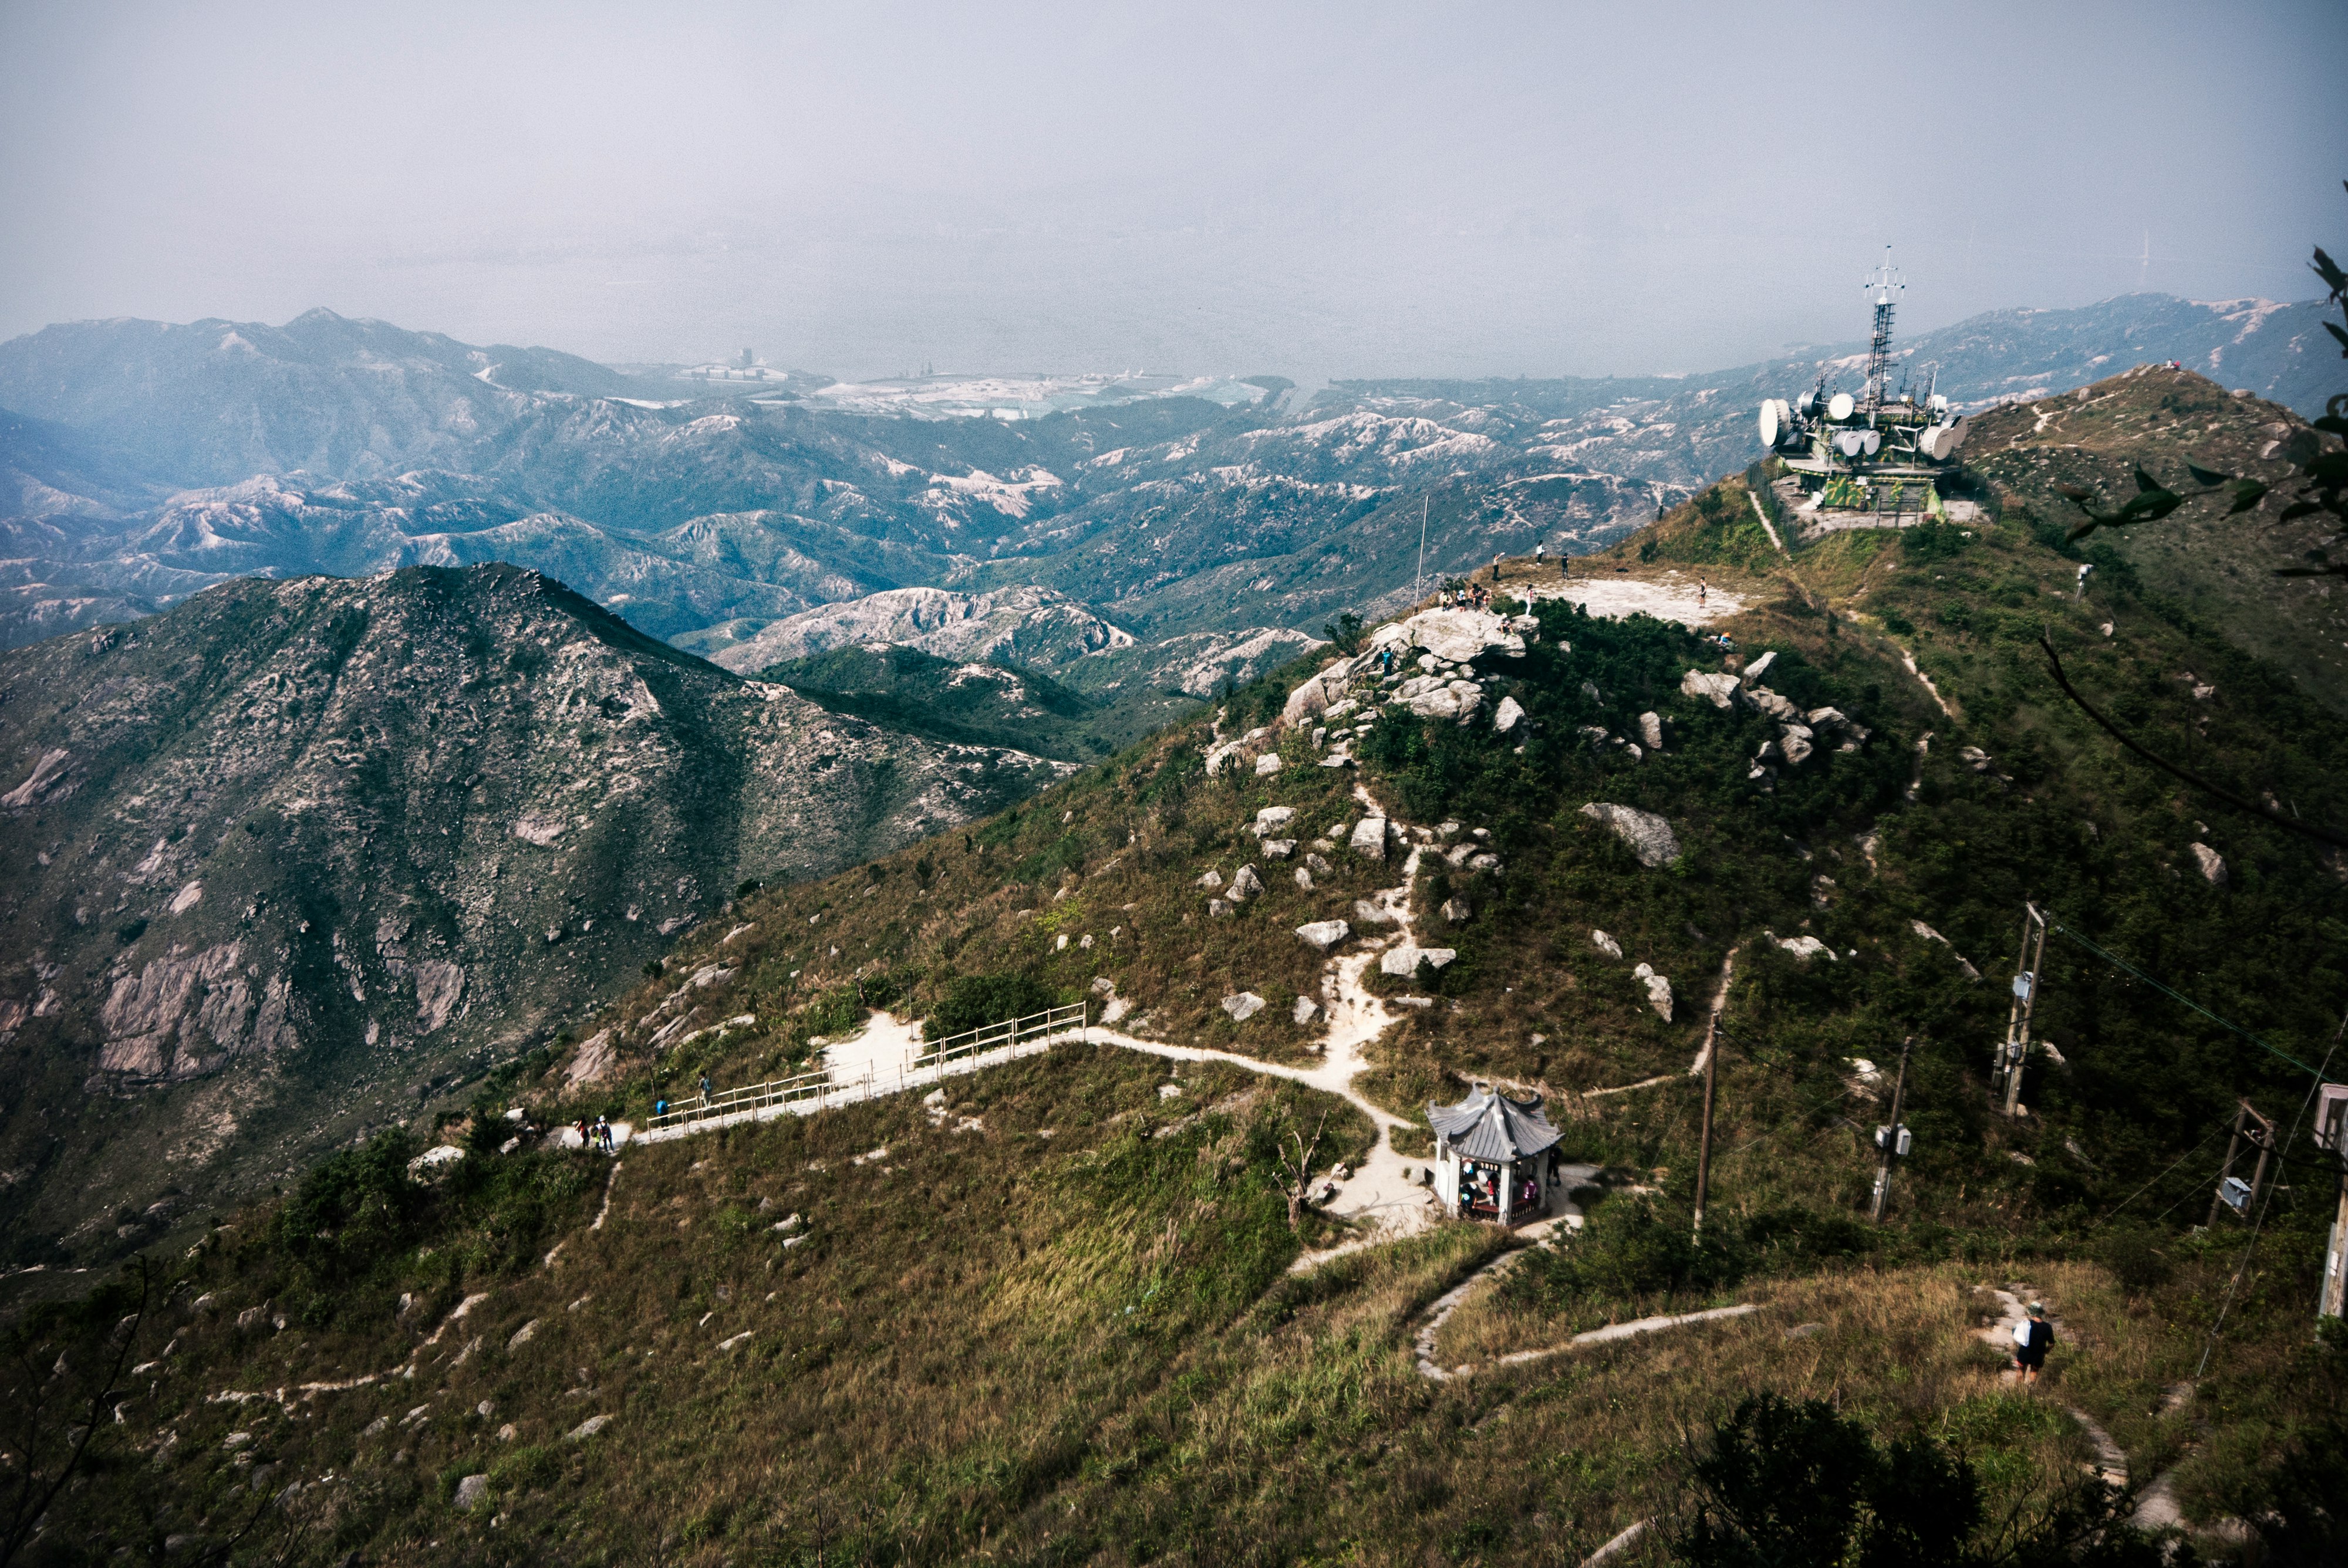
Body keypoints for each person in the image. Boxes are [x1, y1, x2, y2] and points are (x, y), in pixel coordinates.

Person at [2012, 1302, 2054, 1384]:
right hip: (2039, 1354)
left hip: (2025, 1352)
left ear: (2031, 1313)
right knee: (2034, 1372)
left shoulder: (2027, 1324)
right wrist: (2047, 1350)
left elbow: (2017, 1334)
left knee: (2021, 1370)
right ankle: (2031, 1389)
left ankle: (2019, 1390)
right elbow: (2051, 1343)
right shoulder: (2048, 1327)